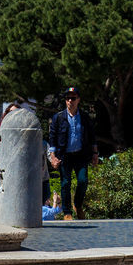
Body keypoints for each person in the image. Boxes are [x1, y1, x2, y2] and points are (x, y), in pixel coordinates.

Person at [47, 86, 98, 221]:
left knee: (83, 181)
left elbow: (92, 137)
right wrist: (53, 157)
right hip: (65, 156)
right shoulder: (58, 118)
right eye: (68, 98)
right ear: (65, 101)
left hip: (81, 155)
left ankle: (78, 205)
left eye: (73, 98)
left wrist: (95, 154)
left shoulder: (85, 117)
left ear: (78, 100)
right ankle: (67, 212)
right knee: (65, 183)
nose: (70, 101)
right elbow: (52, 138)